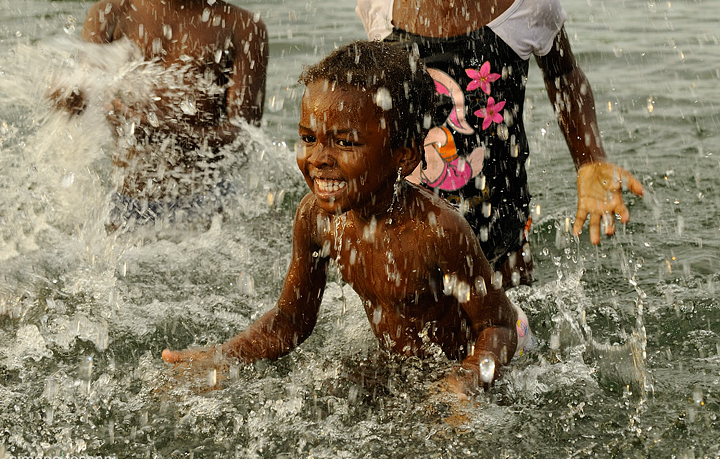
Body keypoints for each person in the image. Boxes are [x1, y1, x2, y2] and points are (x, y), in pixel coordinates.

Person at [356, 0, 644, 287]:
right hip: (404, 234)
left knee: (511, 338)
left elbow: (565, 77)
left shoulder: (528, 3)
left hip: (501, 238)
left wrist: (589, 160)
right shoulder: (379, 1)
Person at [163, 41, 521, 392]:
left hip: (476, 362)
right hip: (403, 371)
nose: (318, 158)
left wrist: (469, 378)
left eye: (345, 143)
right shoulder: (316, 220)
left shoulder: (437, 231)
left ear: (404, 156)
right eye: (308, 137)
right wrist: (226, 357)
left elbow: (499, 327)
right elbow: (292, 320)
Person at [52, 0, 268, 224]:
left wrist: (169, 130)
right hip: (123, 202)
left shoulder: (242, 29)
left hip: (209, 206)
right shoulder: (110, 16)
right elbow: (87, 97)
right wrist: (69, 100)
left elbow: (243, 137)